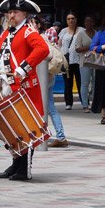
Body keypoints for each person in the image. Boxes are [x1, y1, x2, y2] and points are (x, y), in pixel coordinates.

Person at [0, 0, 49, 181]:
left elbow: (42, 50)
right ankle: (15, 164)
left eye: (15, 12)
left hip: (24, 89)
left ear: (24, 14)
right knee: (10, 130)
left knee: (26, 130)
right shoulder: (7, 33)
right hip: (7, 88)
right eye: (10, 12)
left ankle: (24, 168)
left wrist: (24, 67)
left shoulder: (29, 32)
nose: (11, 15)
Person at [30, 17, 69, 148]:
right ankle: (59, 136)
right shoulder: (43, 36)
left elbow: (43, 56)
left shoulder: (37, 38)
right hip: (48, 76)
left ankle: (46, 136)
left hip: (43, 77)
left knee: (46, 107)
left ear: (38, 25)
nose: (28, 25)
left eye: (31, 23)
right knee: (49, 107)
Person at [57, 12, 84, 110]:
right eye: (68, 19)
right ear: (66, 20)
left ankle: (84, 102)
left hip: (79, 60)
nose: (71, 20)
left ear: (76, 19)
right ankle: (68, 103)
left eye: (72, 18)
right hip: (67, 61)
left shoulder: (81, 30)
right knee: (68, 83)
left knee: (81, 82)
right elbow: (59, 45)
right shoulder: (63, 31)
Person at [74, 15, 96, 112]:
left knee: (95, 83)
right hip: (85, 62)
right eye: (86, 22)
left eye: (90, 21)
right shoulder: (81, 34)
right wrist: (90, 47)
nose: (88, 24)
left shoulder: (97, 33)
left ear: (93, 23)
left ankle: (95, 103)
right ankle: (85, 105)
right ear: (84, 23)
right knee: (85, 84)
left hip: (96, 62)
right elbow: (77, 49)